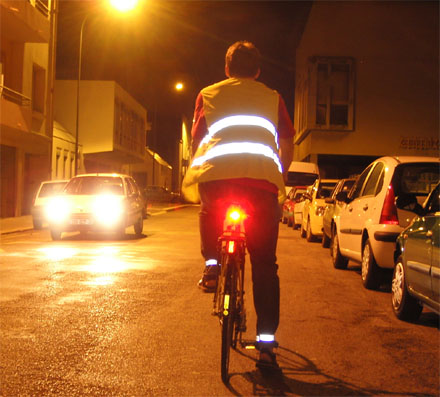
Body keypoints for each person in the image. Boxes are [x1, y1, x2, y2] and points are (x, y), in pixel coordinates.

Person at [182, 41, 294, 371]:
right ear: (258, 70)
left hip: (218, 180)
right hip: (261, 185)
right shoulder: (273, 98)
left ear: (227, 69)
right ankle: (265, 347)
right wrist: (279, 175)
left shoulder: (209, 94)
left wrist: (198, 167)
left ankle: (213, 266)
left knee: (210, 210)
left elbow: (198, 138)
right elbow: (286, 141)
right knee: (264, 264)